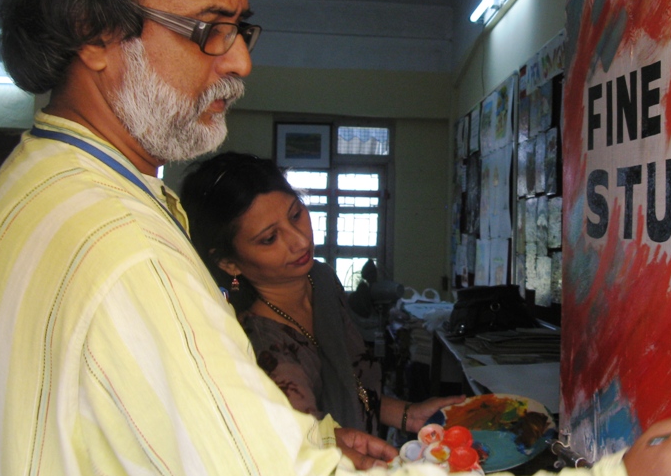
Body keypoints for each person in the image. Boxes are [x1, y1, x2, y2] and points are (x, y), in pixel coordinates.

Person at [0, 0, 671, 476]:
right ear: (94, 33)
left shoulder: (38, 190)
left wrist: (316, 444)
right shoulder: (123, 250)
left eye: (241, 28)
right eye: (207, 31)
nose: (242, 60)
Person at [179, 151, 461, 435]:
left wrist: (408, 415)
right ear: (228, 263)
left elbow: (352, 387)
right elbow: (306, 448)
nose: (301, 241)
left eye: (296, 215)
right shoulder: (260, 347)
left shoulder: (322, 280)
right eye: (270, 238)